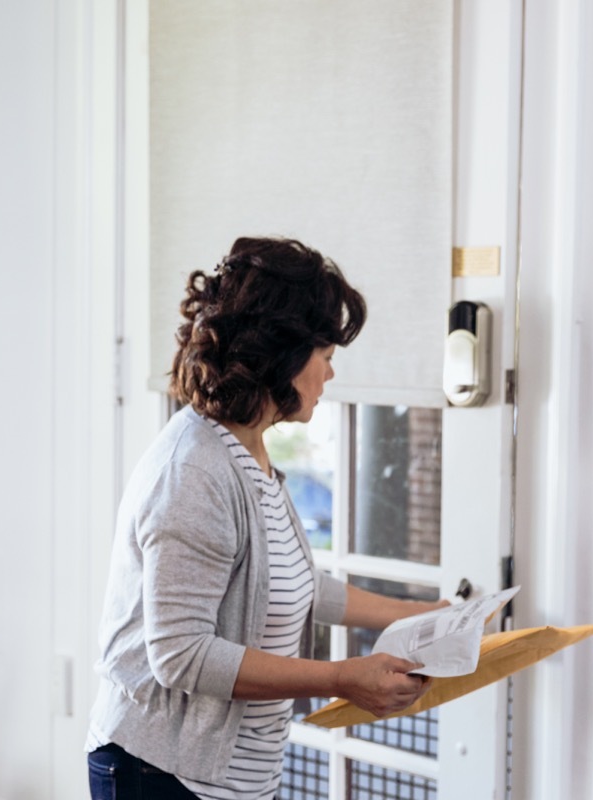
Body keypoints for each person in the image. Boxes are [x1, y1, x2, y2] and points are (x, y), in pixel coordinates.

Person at [86, 236, 447, 800]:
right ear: (282, 352)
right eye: (325, 356)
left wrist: (422, 614)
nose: (330, 375)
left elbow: (293, 584)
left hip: (229, 776)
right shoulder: (194, 471)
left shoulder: (246, 449)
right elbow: (181, 656)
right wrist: (340, 678)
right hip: (162, 772)